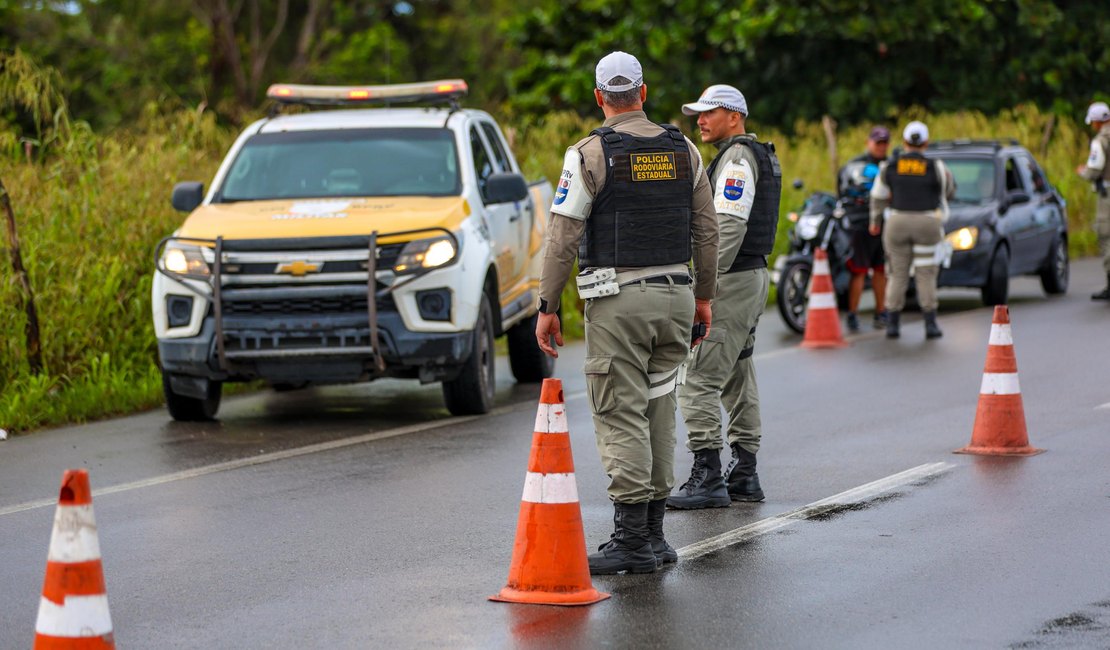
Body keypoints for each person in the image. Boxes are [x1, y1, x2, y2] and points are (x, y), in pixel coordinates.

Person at [534, 51, 719, 574]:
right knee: (660, 409)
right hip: (677, 294)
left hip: (619, 300)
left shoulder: (590, 153)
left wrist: (548, 306)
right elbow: (708, 230)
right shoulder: (684, 149)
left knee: (620, 412)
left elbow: (564, 234)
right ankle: (656, 537)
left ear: (599, 98)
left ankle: (632, 540)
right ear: (644, 92)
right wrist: (703, 298)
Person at [666, 84, 781, 509]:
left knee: (696, 377)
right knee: (738, 371)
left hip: (730, 279)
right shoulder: (754, 154)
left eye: (708, 113)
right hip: (751, 275)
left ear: (734, 116)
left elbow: (728, 227)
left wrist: (704, 288)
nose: (700, 120)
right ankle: (745, 473)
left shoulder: (735, 159)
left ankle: (708, 475)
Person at [869, 121, 955, 339]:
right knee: (925, 274)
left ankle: (893, 324)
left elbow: (878, 196)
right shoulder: (936, 166)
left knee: (897, 273)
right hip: (927, 222)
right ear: (926, 142)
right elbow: (950, 190)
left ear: (905, 142)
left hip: (897, 222)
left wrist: (875, 221)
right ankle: (930, 324)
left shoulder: (889, 165)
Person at [838, 126, 890, 332]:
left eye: (884, 143)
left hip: (883, 223)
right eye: (878, 143)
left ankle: (881, 312)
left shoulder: (890, 165)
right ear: (869, 142)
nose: (881, 147)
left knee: (880, 269)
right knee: (858, 270)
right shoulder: (855, 164)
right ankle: (852, 314)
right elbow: (842, 190)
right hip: (860, 223)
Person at [1077, 101, 1110, 300]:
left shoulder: (1101, 141)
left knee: (1107, 237)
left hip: (1107, 197)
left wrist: (1083, 172)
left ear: (1097, 122)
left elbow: (1094, 170)